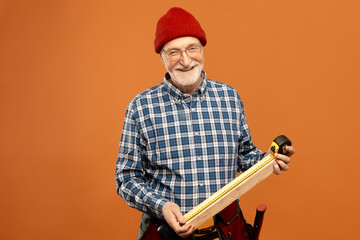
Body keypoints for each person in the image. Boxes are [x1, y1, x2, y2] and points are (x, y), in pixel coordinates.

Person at [115, 7, 295, 240]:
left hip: (227, 231)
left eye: (192, 48)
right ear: (161, 57)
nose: (186, 60)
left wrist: (266, 161)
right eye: (174, 52)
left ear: (202, 49)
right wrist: (162, 206)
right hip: (165, 234)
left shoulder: (229, 98)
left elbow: (244, 155)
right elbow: (126, 179)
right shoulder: (140, 107)